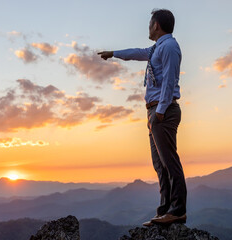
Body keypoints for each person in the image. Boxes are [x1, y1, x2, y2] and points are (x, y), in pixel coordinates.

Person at [98, 9, 187, 226]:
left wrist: (160, 111)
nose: (148, 26)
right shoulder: (157, 47)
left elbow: (168, 80)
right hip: (155, 112)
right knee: (160, 164)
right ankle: (165, 210)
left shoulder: (169, 47)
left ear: (157, 25)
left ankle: (177, 210)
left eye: (150, 23)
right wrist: (114, 53)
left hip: (162, 111)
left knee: (169, 161)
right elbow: (138, 52)